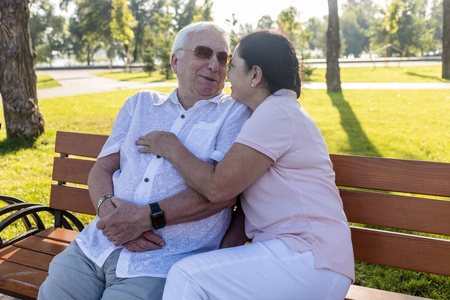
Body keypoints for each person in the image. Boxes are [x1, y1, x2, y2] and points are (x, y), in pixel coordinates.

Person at [37, 22, 251, 300]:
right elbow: (102, 167)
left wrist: (143, 219)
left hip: (164, 261)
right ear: (176, 61)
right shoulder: (141, 103)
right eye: (203, 53)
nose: (214, 65)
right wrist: (111, 218)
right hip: (96, 246)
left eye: (223, 58)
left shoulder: (234, 114)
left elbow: (222, 194)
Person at [138, 30, 355, 299]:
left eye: (233, 65)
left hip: (309, 259)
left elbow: (217, 188)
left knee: (187, 277)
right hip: (295, 256)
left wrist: (172, 148)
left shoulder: (276, 113)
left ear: (255, 75)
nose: (226, 74)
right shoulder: (275, 111)